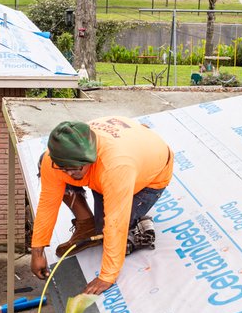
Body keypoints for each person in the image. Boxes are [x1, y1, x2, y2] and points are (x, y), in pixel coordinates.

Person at [30, 117, 174, 295]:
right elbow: (48, 202)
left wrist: (107, 276)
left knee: (107, 229)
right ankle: (87, 224)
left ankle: (138, 224)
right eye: (63, 167)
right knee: (49, 170)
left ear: (90, 158)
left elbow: (116, 221)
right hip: (119, 156)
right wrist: (37, 251)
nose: (68, 173)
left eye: (75, 168)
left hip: (150, 176)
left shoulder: (115, 167)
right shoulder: (55, 160)